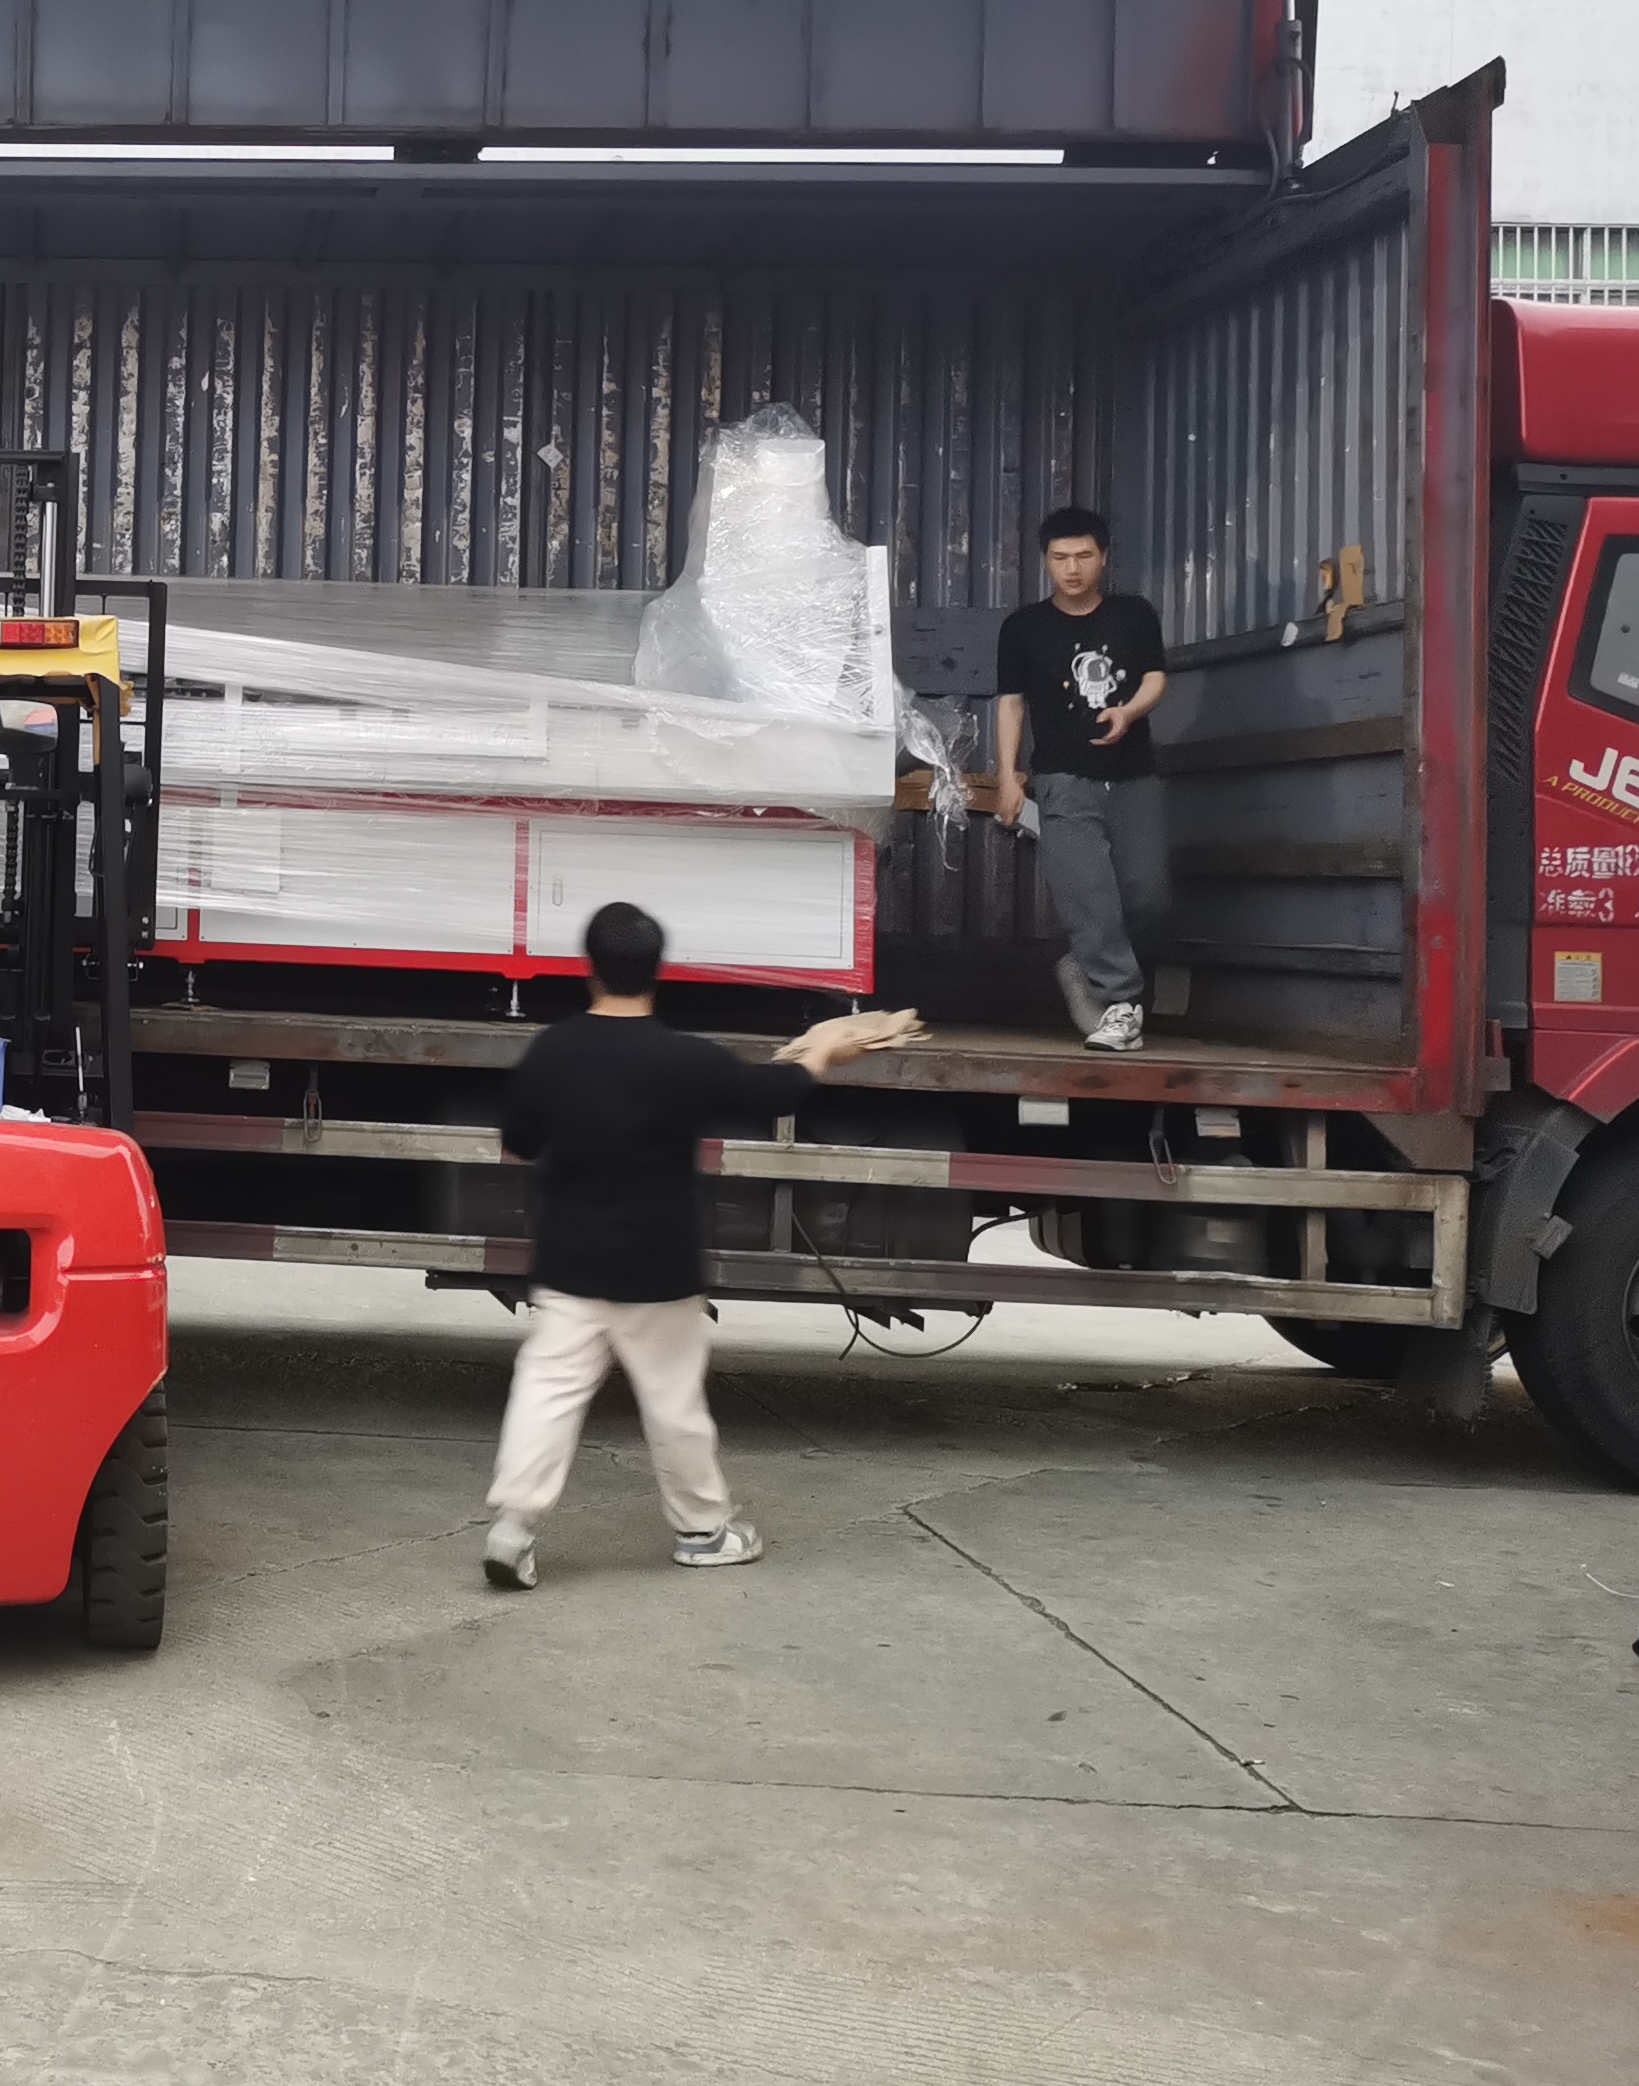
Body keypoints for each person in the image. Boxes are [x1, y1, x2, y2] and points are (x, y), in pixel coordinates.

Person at [481, 902, 917, 1591]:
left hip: (570, 1258)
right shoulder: (686, 1058)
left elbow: (519, 1143)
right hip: (658, 1266)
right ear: (659, 971)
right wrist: (824, 1051)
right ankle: (703, 1531)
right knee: (673, 1403)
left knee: (547, 1390)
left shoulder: (553, 1051)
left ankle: (513, 1527)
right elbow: (773, 1092)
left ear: (589, 970)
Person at [994, 506, 1170, 1051]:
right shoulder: (1023, 627)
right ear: (1046, 561)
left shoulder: (1134, 615)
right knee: (1088, 893)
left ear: (1104, 558)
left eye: (1084, 556)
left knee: (1148, 895)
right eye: (1060, 557)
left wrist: (1129, 712)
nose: (1072, 568)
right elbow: (1011, 703)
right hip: (1062, 778)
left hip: (1134, 776)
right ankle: (1119, 1002)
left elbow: (1155, 678)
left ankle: (1084, 963)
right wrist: (1008, 775)